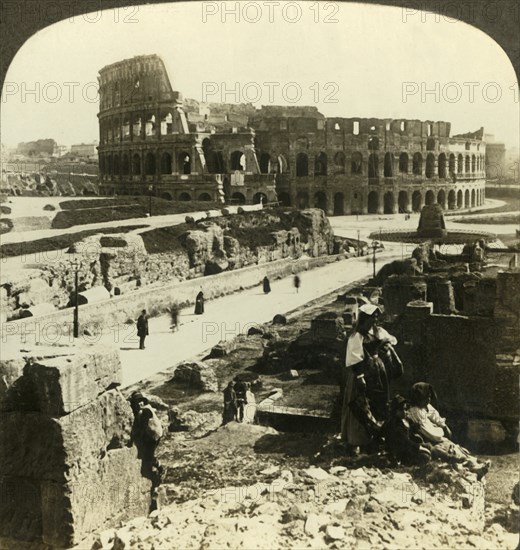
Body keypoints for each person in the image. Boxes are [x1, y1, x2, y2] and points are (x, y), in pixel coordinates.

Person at [341, 303, 401, 454]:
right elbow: (354, 359)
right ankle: (358, 440)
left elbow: (391, 340)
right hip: (361, 373)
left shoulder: (377, 331)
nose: (374, 321)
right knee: (361, 404)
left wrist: (385, 346)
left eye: (376, 318)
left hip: (377, 371)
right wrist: (360, 377)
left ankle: (375, 436)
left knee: (378, 401)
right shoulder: (357, 336)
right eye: (371, 318)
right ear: (364, 319)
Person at [407, 382, 490, 480]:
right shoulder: (415, 412)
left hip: (437, 437)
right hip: (429, 441)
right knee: (451, 451)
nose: (429, 399)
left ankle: (474, 464)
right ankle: (472, 468)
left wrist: (444, 426)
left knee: (456, 447)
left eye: (429, 397)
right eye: (426, 397)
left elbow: (436, 417)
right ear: (419, 398)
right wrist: (440, 430)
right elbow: (430, 433)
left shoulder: (426, 406)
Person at [383, 395, 431, 465]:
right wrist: (419, 447)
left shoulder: (400, 420)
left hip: (405, 447)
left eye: (406, 409)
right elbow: (405, 441)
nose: (406, 412)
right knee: (425, 456)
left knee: (428, 447)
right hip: (399, 453)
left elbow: (409, 433)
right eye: (403, 409)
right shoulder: (393, 424)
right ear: (396, 411)